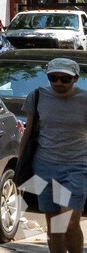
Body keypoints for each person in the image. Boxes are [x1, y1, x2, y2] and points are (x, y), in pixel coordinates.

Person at [23, 57, 87, 253]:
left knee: (69, 223)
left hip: (76, 168)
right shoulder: (37, 96)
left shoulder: (84, 100)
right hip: (44, 167)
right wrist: (19, 169)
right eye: (53, 78)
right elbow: (28, 132)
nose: (58, 83)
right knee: (55, 228)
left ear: (75, 78)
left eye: (64, 79)